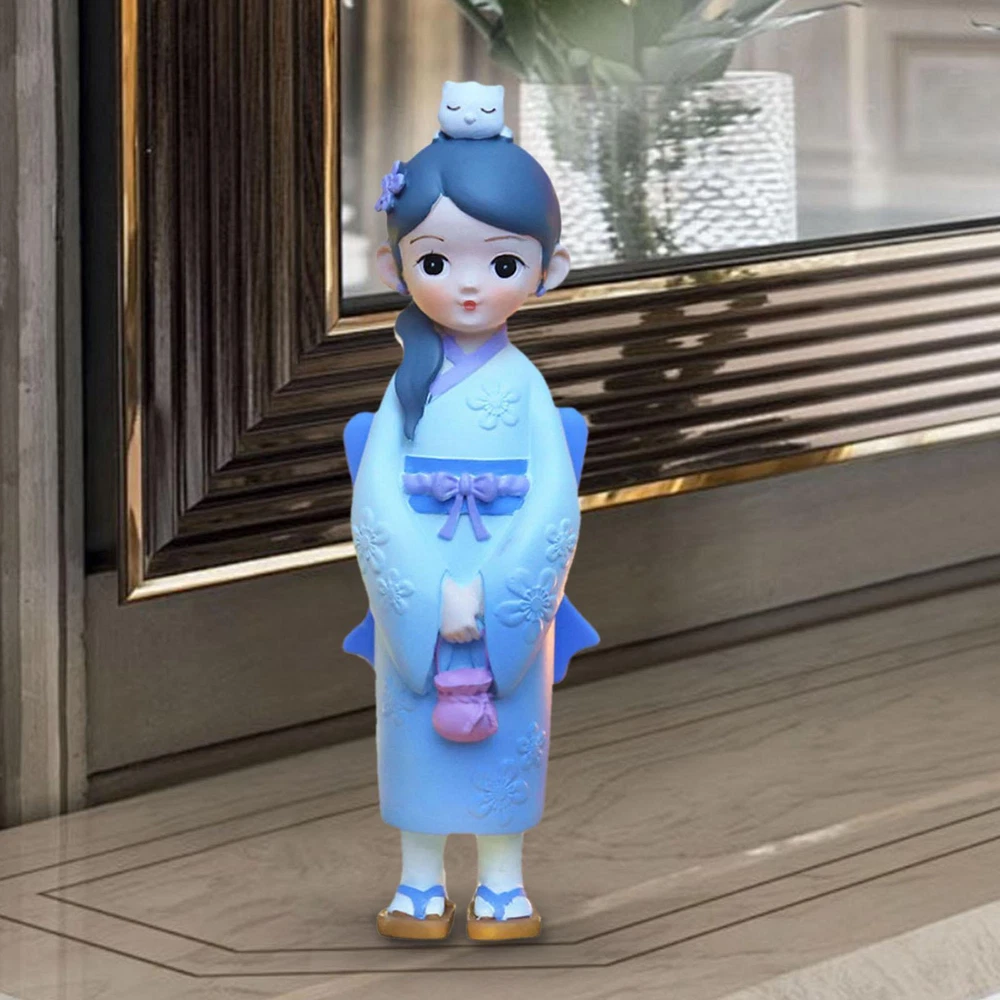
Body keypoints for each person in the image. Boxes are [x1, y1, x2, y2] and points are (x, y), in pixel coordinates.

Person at [344, 90, 598, 943]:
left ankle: (501, 883)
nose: (465, 285)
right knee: (417, 737)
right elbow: (378, 501)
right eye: (435, 260)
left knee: (503, 738)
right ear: (395, 270)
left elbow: (553, 503)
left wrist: (488, 598)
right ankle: (418, 882)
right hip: (419, 587)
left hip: (504, 592)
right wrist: (432, 595)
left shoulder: (526, 387)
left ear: (548, 271)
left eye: (500, 264)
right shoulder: (404, 389)